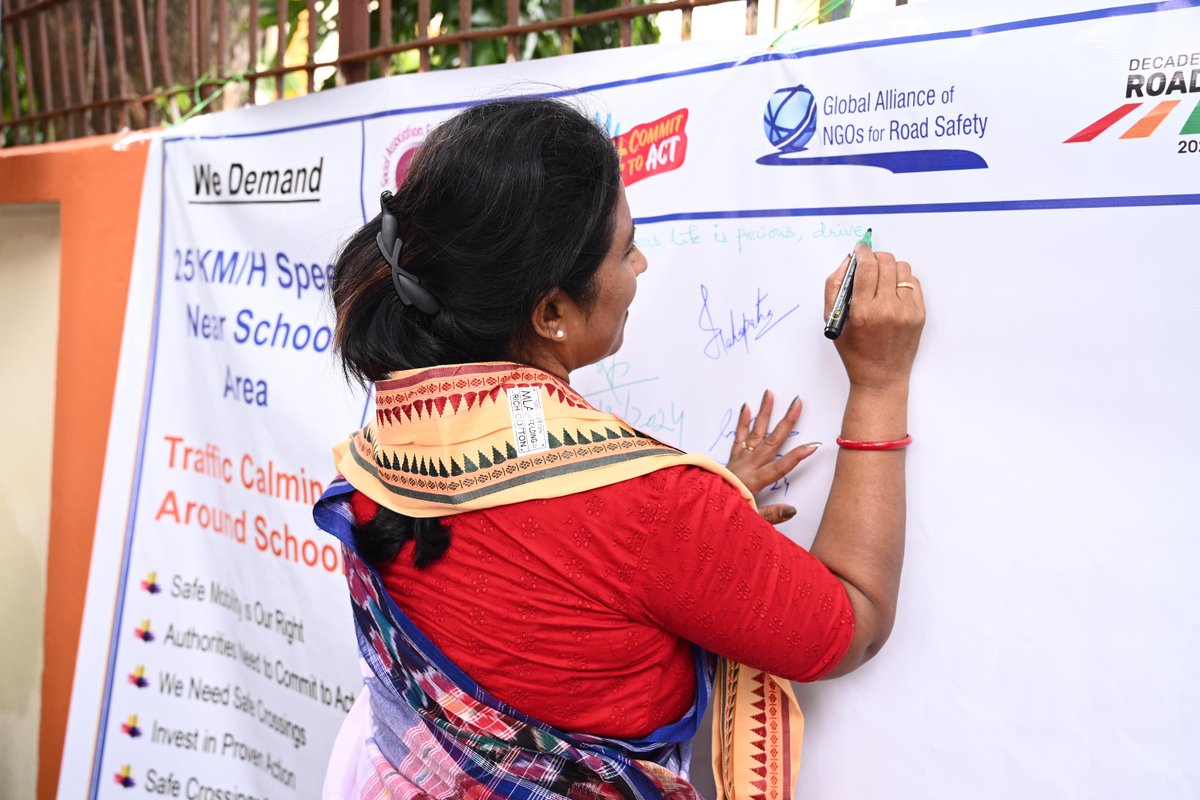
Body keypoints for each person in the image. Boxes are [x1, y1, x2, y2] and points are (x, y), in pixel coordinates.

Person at [313, 97, 924, 800]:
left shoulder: (390, 437)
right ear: (551, 313)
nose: (639, 262)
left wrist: (699, 523)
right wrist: (879, 383)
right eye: (622, 247)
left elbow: (543, 572)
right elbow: (854, 623)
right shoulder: (652, 511)